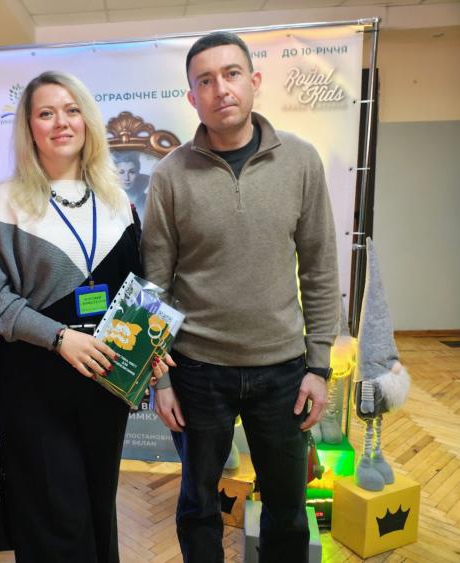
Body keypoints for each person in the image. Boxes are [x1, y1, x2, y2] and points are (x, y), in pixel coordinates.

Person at [143, 32, 339, 562]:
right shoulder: (169, 175)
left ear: (253, 81)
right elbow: (155, 284)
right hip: (196, 371)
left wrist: (319, 366)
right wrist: (161, 379)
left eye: (231, 74)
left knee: (287, 508)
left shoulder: (301, 161)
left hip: (282, 371)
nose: (221, 89)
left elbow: (320, 268)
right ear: (192, 97)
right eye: (205, 81)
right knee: (198, 505)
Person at [0, 70, 171, 563]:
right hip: (35, 384)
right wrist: (60, 338)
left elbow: (137, 288)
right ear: (29, 127)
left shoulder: (117, 201)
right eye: (46, 113)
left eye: (71, 110)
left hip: (105, 382)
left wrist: (150, 347)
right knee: (53, 519)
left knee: (98, 508)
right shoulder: (5, 203)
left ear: (87, 120)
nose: (61, 122)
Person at [113, 151, 150, 216]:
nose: (127, 178)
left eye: (131, 172)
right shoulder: (109, 198)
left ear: (137, 172)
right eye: (121, 172)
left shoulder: (147, 199)